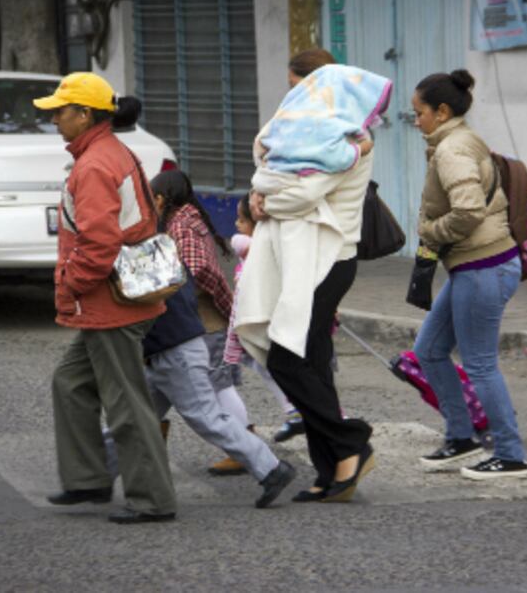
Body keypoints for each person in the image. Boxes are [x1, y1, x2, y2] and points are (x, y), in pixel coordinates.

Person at [236, 53, 391, 503]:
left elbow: (299, 196)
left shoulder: (349, 143)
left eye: (300, 87)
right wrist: (259, 191)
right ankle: (332, 467)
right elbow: (263, 166)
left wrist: (264, 199)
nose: (295, 97)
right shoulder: (306, 139)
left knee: (286, 360)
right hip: (301, 259)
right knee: (315, 363)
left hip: (326, 261)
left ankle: (351, 441)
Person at [35, 72, 177, 524]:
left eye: (60, 111)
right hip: (118, 295)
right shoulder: (110, 151)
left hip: (109, 301)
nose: (54, 119)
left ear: (84, 114)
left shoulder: (94, 164)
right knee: (71, 383)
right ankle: (87, 480)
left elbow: (98, 245)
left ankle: (152, 500)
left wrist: (69, 286)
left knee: (127, 403)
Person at [409, 69, 527, 480]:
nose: (416, 121)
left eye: (420, 112)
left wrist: (430, 232)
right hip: (475, 266)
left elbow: (469, 210)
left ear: (442, 112)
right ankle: (461, 437)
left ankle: (510, 454)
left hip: (484, 266)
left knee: (480, 364)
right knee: (429, 350)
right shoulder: (459, 141)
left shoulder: (452, 150)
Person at [141, 263, 296, 509]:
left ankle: (272, 469)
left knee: (207, 416)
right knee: (134, 417)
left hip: (175, 348)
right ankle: (93, 475)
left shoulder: (154, 247)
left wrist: (228, 310)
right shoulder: (156, 248)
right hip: (165, 348)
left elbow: (203, 270)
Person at [148, 169, 255, 476]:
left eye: (152, 198)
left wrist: (176, 289)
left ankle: (246, 449)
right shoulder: (184, 220)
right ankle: (149, 443)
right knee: (162, 386)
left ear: (162, 199)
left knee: (219, 386)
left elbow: (199, 269)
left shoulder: (182, 225)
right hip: (194, 322)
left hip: (204, 322)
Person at [223, 194, 305, 442]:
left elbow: (240, 242)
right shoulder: (256, 245)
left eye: (241, 220)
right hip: (258, 317)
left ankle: (320, 415)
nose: (236, 225)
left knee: (285, 367)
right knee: (263, 364)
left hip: (267, 318)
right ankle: (295, 411)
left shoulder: (254, 245)